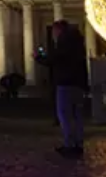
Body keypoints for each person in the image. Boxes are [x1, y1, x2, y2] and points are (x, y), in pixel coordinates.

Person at [34, 20, 88, 156]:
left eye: (54, 32)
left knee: (65, 115)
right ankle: (78, 144)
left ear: (58, 30)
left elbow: (55, 60)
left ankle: (69, 145)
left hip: (65, 83)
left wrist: (38, 58)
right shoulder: (78, 43)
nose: (53, 35)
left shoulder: (64, 42)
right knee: (77, 116)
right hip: (78, 84)